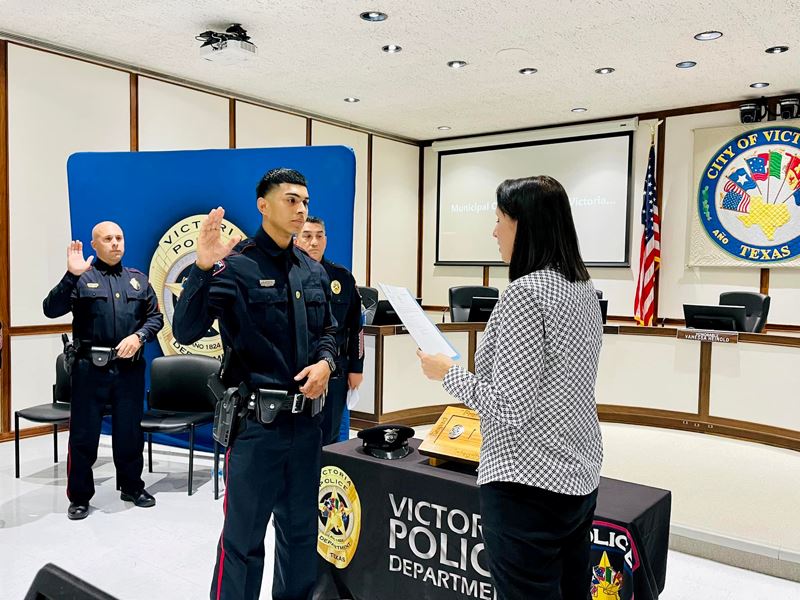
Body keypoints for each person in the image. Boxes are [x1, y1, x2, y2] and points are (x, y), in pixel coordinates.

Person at [417, 175, 603, 600]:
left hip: (527, 482)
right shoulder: (583, 289)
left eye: (500, 219)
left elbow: (509, 406)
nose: (494, 231)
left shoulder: (525, 293)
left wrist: (447, 373)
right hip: (578, 473)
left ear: (524, 224)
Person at [172, 168, 337, 600]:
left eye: (305, 201)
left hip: (306, 428)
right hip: (257, 429)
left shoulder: (312, 270)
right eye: (291, 200)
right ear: (263, 205)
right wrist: (202, 268)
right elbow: (185, 330)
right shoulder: (235, 266)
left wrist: (326, 362)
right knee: (243, 542)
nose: (301, 209)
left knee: (301, 536)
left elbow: (329, 331)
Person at [43, 221, 163, 520]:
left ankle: (132, 487)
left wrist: (139, 337)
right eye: (107, 239)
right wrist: (71, 275)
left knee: (129, 432)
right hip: (89, 370)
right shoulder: (82, 278)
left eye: (119, 237)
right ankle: (80, 497)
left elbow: (155, 318)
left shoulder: (138, 280)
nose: (115, 243)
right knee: (83, 435)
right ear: (94, 245)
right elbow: (50, 309)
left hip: (129, 369)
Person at [295, 216, 364, 444]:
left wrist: (356, 368)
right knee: (299, 436)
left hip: (335, 370)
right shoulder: (287, 275)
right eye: (307, 236)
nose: (313, 242)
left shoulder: (342, 277)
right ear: (296, 240)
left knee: (331, 436)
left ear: (325, 240)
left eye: (319, 236)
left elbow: (356, 326)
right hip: (298, 369)